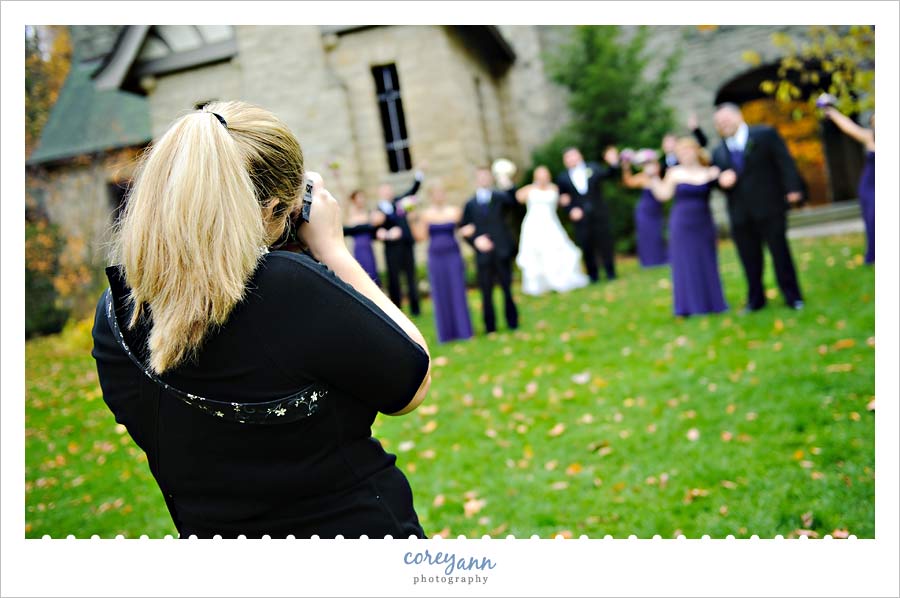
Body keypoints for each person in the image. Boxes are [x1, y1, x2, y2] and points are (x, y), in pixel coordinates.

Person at [91, 101, 432, 539]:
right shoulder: (287, 287)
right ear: (272, 209)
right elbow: (412, 383)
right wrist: (332, 249)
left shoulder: (115, 314)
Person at [712, 102, 805, 312]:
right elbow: (716, 179)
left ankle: (793, 296)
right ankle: (756, 299)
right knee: (749, 259)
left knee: (780, 253)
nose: (723, 125)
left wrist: (793, 188)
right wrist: (720, 181)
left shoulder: (764, 134)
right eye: (719, 123)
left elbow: (785, 162)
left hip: (770, 206)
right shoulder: (718, 151)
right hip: (739, 214)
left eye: (726, 119)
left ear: (738, 116)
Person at [649, 138, 728, 317]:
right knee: (686, 262)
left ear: (696, 151)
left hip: (704, 222)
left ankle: (714, 302)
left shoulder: (710, 171)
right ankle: (689, 305)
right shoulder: (675, 173)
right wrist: (653, 178)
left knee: (707, 260)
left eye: (688, 150)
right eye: (682, 152)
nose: (686, 155)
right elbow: (663, 195)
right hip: (682, 224)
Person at [410, 180, 473, 343]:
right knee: (441, 292)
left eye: (441, 193)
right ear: (431, 196)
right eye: (435, 193)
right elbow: (421, 237)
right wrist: (412, 220)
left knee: (457, 290)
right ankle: (446, 333)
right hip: (436, 258)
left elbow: (463, 229)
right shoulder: (426, 215)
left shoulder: (455, 212)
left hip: (453, 255)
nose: (439, 196)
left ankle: (464, 330)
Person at [459, 166, 519, 334]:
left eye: (486, 176)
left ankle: (512, 322)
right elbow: (464, 228)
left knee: (507, 288)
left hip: (501, 250)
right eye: (481, 176)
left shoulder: (500, 197)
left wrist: (508, 185)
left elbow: (514, 203)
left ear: (491, 178)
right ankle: (490, 326)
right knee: (486, 292)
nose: (484, 179)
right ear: (476, 179)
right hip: (483, 254)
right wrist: (475, 240)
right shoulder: (470, 204)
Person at [514, 166, 589, 295]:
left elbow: (564, 201)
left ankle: (559, 280)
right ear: (535, 177)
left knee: (557, 248)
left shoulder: (554, 188)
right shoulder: (529, 189)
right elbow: (517, 198)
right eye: (540, 175)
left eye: (545, 175)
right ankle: (539, 284)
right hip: (534, 225)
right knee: (536, 251)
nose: (542, 178)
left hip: (551, 223)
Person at [556, 146, 620, 282]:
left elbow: (610, 175)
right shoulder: (562, 178)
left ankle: (610, 272)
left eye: (574, 155)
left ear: (580, 156)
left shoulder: (594, 168)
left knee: (605, 243)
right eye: (568, 157)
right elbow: (563, 198)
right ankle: (593, 275)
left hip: (599, 213)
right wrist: (571, 210)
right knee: (586, 245)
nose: (572, 159)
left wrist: (614, 163)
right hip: (580, 217)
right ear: (564, 161)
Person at [822, 106, 875, 264]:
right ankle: (874, 255)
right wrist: (833, 113)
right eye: (873, 122)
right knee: (873, 219)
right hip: (870, 186)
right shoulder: (869, 137)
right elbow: (848, 127)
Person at [375, 169, 425, 316]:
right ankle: (397, 309)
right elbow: (376, 231)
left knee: (411, 276)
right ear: (380, 193)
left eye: (389, 190)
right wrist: (389, 235)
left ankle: (416, 308)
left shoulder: (399, 202)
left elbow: (412, 191)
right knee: (394, 278)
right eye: (384, 191)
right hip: (391, 248)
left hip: (407, 244)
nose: (387, 193)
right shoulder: (378, 210)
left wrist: (419, 176)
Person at [621, 155, 668, 268]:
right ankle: (649, 261)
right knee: (647, 235)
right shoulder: (643, 178)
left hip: (657, 211)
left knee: (658, 234)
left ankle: (661, 258)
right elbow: (628, 182)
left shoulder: (663, 177)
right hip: (645, 211)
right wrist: (626, 167)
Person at [343, 189, 385, 285]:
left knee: (373, 272)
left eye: (363, 197)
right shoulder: (351, 216)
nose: (361, 200)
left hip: (369, 247)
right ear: (354, 200)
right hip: (359, 247)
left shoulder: (368, 213)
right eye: (359, 197)